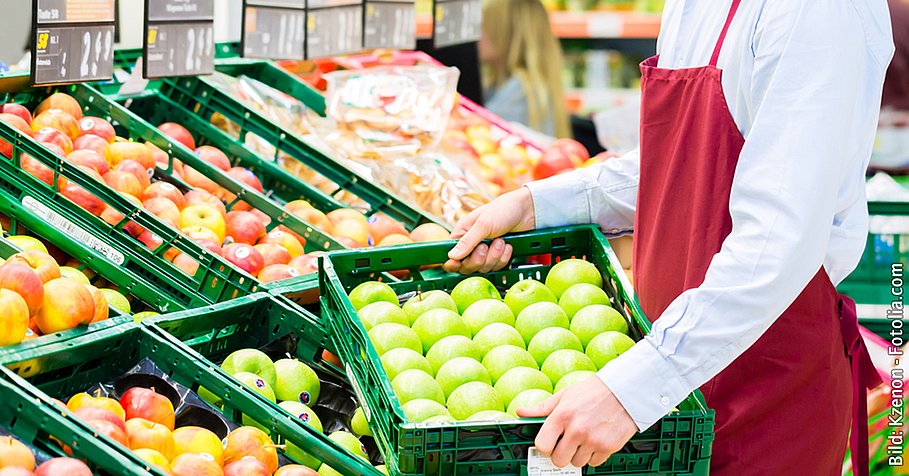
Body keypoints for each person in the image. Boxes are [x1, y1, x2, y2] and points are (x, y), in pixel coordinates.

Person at [446, 1, 894, 474]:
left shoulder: (817, 13)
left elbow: (778, 239)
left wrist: (632, 390)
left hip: (762, 389)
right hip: (668, 373)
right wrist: (534, 204)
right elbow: (684, 163)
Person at [478, 0, 571, 138]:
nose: (477, 36)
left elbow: (480, 133)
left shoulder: (521, 89)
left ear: (503, 33)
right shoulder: (528, 84)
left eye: (483, 27)